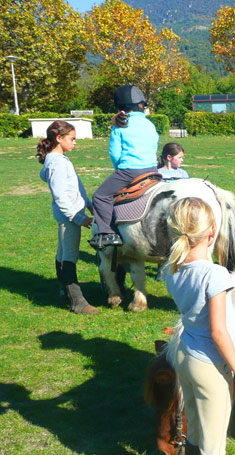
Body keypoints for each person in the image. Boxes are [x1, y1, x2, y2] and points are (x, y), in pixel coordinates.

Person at [164, 197, 235, 455]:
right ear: (212, 231)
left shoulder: (172, 269)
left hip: (184, 355)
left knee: (195, 434)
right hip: (209, 364)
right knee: (214, 447)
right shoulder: (214, 274)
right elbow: (218, 332)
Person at [38, 120, 99, 315]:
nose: (75, 143)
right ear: (59, 138)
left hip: (73, 213)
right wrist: (79, 218)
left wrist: (88, 203)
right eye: (72, 139)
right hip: (69, 216)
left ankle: (64, 291)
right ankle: (78, 302)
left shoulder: (59, 160)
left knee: (62, 253)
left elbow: (74, 187)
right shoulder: (56, 163)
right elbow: (60, 196)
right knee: (69, 256)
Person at [89, 84, 159, 250]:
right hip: (153, 170)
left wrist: (118, 169)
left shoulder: (120, 126)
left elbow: (114, 153)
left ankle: (107, 233)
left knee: (100, 196)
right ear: (141, 105)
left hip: (129, 170)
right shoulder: (150, 124)